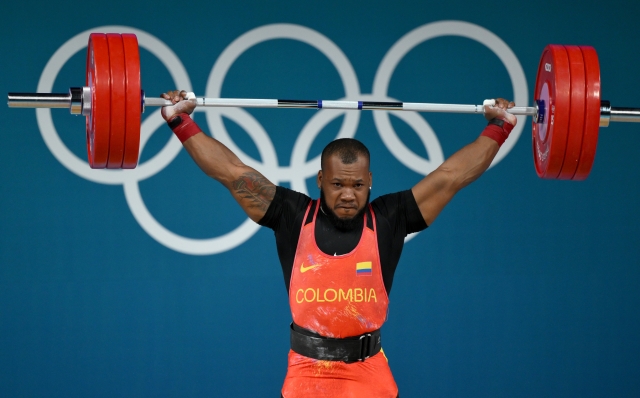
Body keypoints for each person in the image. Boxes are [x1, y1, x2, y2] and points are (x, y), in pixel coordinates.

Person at [160, 90, 517, 398]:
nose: (348, 195)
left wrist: (499, 127)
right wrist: (181, 123)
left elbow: (451, 177)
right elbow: (231, 172)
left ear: (370, 181)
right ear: (320, 179)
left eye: (358, 186)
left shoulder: (389, 218)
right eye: (337, 185)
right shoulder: (292, 215)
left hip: (368, 374)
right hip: (306, 374)